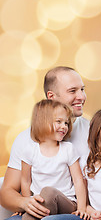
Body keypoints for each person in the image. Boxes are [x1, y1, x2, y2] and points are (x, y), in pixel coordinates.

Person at [0, 67, 89, 220]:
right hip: (39, 209)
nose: (81, 96)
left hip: (72, 210)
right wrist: (25, 202)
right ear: (51, 97)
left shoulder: (95, 132)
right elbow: (7, 192)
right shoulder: (26, 140)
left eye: (82, 89)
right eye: (72, 91)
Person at [19, 99, 87, 220]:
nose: (64, 126)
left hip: (67, 203)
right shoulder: (29, 150)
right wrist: (27, 204)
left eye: (66, 123)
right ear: (42, 122)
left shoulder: (68, 149)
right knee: (42, 198)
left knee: (48, 192)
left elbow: (78, 181)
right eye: (59, 122)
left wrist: (81, 208)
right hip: (41, 203)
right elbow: (25, 181)